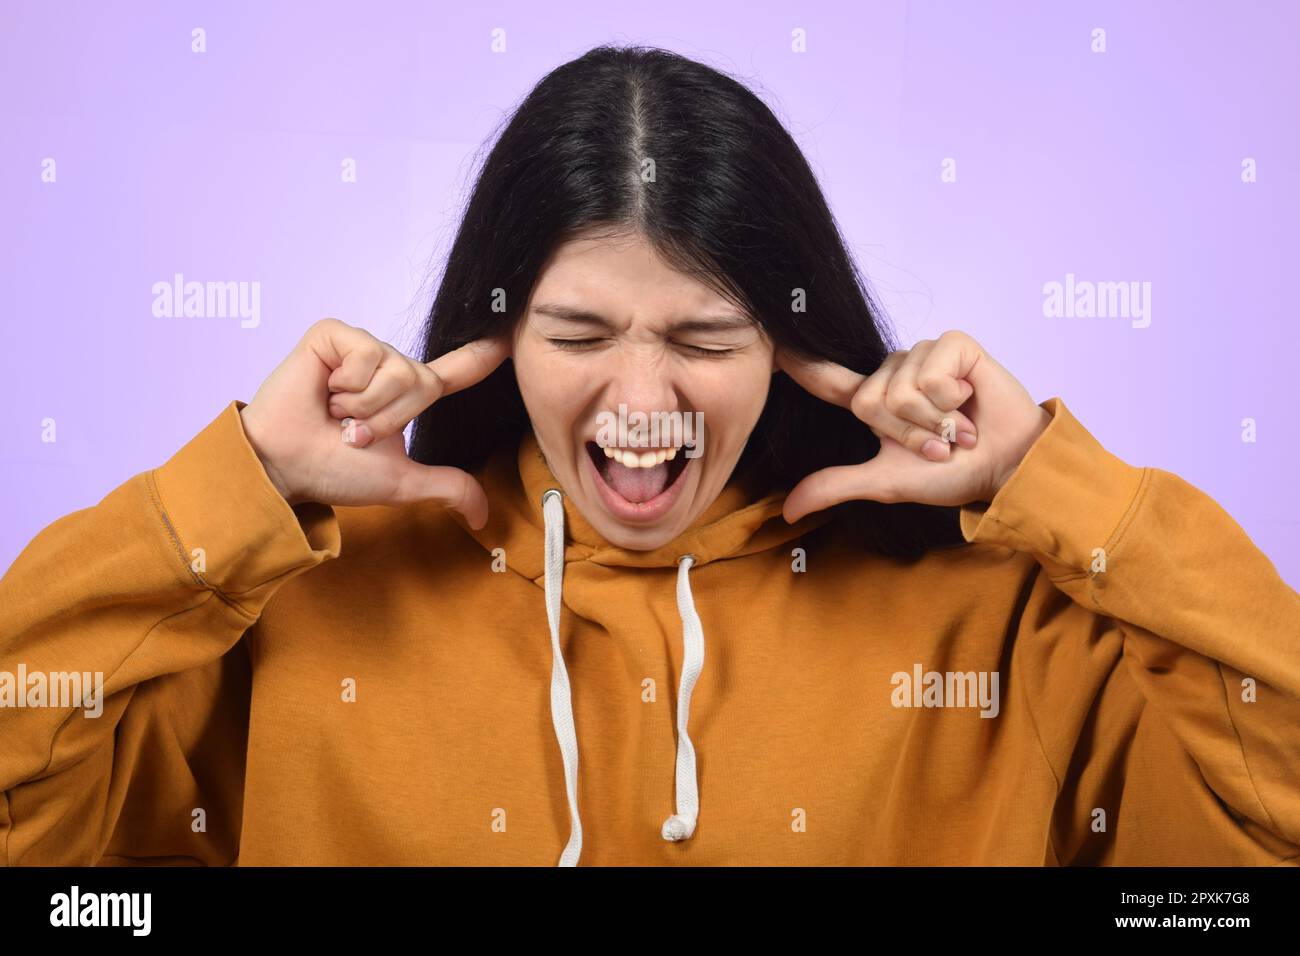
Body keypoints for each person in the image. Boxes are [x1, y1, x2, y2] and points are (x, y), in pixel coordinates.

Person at [1, 44, 1297, 868]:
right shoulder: (284, 609)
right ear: (497, 337)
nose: (642, 395)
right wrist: (231, 495)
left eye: (703, 335)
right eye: (578, 332)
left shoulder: (999, 624)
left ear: (792, 345)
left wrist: (1064, 494)